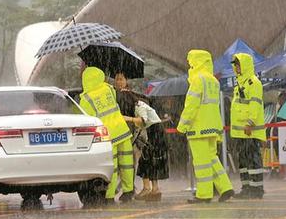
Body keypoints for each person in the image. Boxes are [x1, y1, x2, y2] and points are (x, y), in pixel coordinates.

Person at [177, 49, 233, 203]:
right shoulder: (213, 80)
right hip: (213, 126)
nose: (190, 64)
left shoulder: (197, 80)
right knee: (212, 159)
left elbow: (192, 105)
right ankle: (225, 187)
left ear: (197, 61)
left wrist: (182, 125)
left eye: (191, 61)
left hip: (198, 127)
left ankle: (204, 194)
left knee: (201, 163)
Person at [80, 67, 134, 203]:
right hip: (122, 130)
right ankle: (128, 191)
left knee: (113, 166)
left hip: (108, 135)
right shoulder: (109, 89)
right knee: (127, 163)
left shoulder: (86, 99)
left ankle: (109, 196)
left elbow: (88, 120)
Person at [114, 72, 169, 201]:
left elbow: (142, 120)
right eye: (116, 79)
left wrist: (127, 118)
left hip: (154, 131)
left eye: (121, 79)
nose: (118, 81)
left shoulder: (138, 104)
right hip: (155, 130)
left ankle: (148, 189)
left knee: (147, 160)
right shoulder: (138, 99)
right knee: (151, 160)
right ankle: (154, 190)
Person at [230, 53, 266, 199]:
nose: (236, 67)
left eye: (238, 64)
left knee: (253, 159)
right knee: (243, 161)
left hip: (249, 130)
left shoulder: (254, 82)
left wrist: (250, 123)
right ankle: (246, 188)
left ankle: (257, 189)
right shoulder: (240, 83)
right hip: (240, 131)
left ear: (244, 65)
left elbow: (255, 105)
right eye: (235, 65)